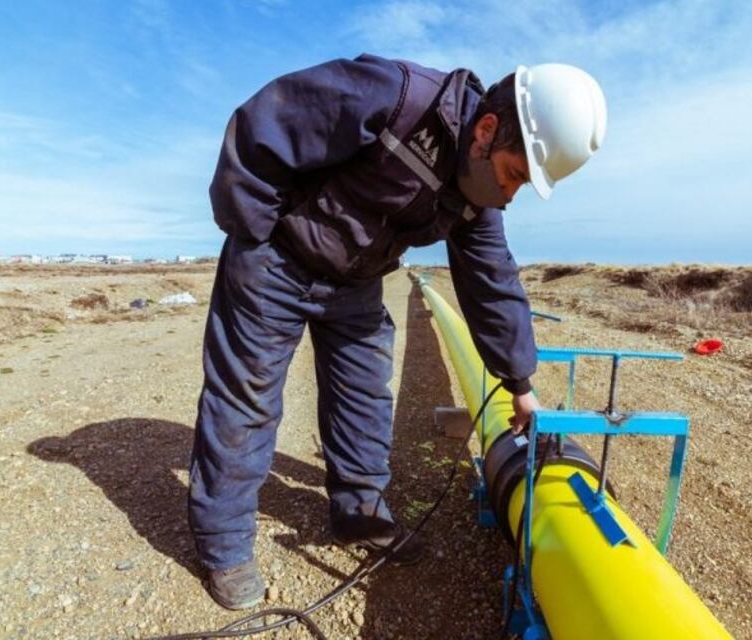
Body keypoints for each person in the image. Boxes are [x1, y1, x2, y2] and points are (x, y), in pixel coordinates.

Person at [188, 54, 607, 610]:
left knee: (364, 395)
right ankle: (223, 546)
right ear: (486, 130)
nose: (509, 194)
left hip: (356, 281)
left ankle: (359, 514)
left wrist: (520, 384)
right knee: (248, 400)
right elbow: (264, 126)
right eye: (513, 174)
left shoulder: (474, 198)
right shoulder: (396, 98)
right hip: (278, 263)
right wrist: (256, 233)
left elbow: (492, 282)